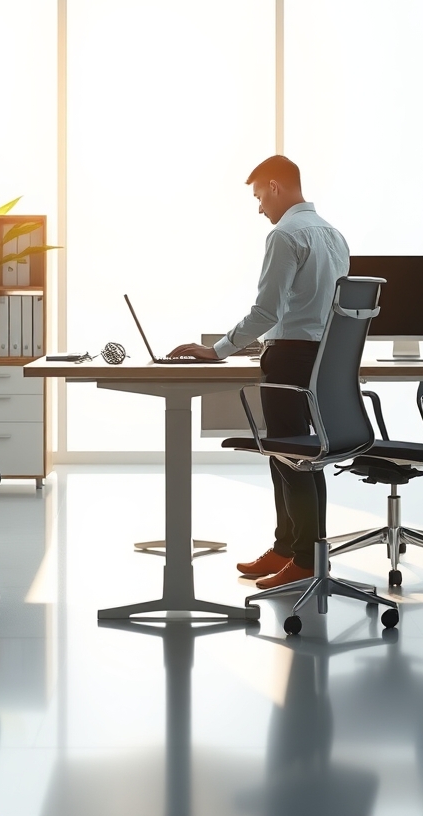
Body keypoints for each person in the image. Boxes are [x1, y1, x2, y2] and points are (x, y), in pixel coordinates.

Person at [168, 155, 349, 589]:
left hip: (289, 358)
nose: (259, 209)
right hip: (324, 358)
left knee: (292, 456)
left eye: (258, 198)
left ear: (274, 186)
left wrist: (219, 350)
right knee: (303, 456)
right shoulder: (334, 235)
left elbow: (267, 311)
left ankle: (303, 559)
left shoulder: (285, 235)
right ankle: (289, 549)